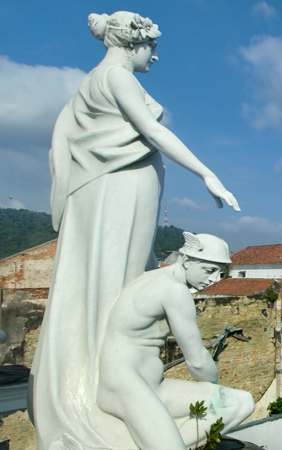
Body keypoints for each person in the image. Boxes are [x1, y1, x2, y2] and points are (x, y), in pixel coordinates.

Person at [31, 11, 239, 449]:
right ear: (131, 44)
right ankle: (107, 399)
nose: (156, 56)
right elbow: (152, 132)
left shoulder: (91, 82)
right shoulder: (115, 78)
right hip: (120, 189)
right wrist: (207, 174)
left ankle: (109, 393)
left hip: (114, 188)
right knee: (112, 273)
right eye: (152, 48)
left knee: (115, 277)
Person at [97, 233, 254, 449]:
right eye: (209, 270)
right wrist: (213, 388)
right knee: (226, 403)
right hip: (127, 388)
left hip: (153, 387)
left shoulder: (150, 277)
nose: (215, 279)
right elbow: (197, 360)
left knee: (241, 402)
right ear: (187, 261)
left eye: (220, 272)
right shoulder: (174, 291)